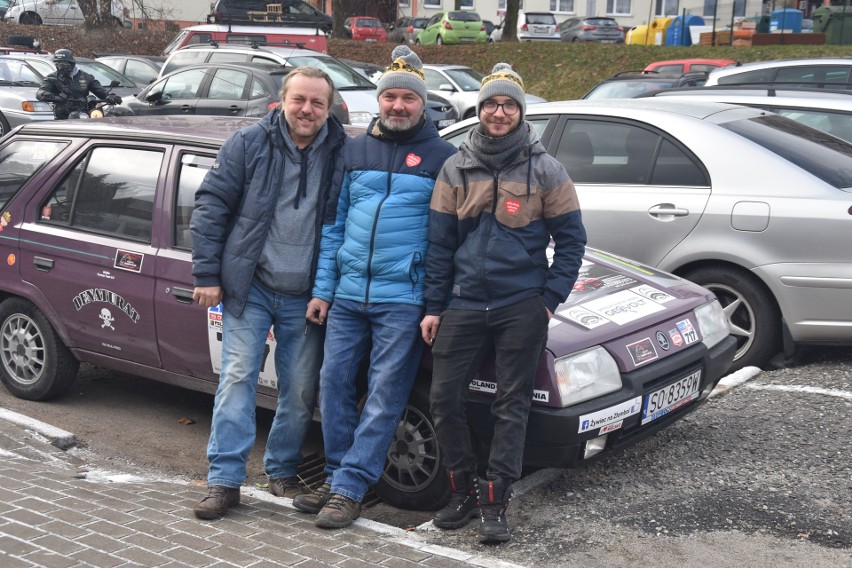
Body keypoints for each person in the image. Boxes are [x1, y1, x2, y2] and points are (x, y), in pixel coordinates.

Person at [421, 63, 587, 543]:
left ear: (520, 112)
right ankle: (462, 491)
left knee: (510, 405)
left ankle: (496, 502)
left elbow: (572, 242)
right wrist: (435, 305)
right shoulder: (456, 165)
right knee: (444, 398)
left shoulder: (547, 169)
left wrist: (548, 300)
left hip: (521, 304)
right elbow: (439, 244)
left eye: (508, 105)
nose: (498, 112)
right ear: (479, 110)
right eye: (491, 104)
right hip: (463, 302)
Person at [292, 45, 457, 529]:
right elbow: (334, 225)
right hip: (346, 295)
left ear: (422, 104)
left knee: (386, 394)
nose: (398, 106)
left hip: (401, 300)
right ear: (378, 101)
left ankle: (350, 488)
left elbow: (444, 240)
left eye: (408, 98)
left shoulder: (443, 157)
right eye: (391, 98)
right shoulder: (354, 149)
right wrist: (323, 290)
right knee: (334, 384)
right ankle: (337, 474)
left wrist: (433, 304)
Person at [189, 67, 347, 520]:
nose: (307, 110)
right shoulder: (248, 143)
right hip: (251, 285)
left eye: (317, 103)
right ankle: (223, 481)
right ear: (283, 99)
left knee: (299, 389)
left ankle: (281, 468)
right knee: (237, 378)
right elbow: (211, 205)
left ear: (329, 107)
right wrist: (206, 274)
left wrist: (329, 287)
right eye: (300, 99)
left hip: (307, 293)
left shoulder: (343, 151)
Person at [36, 49, 121, 119]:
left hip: (85, 112)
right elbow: (40, 92)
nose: (60, 68)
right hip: (62, 116)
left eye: (63, 65)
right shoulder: (52, 78)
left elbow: (98, 89)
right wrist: (51, 96)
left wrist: (109, 96)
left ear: (71, 64)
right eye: (58, 64)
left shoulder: (86, 77)